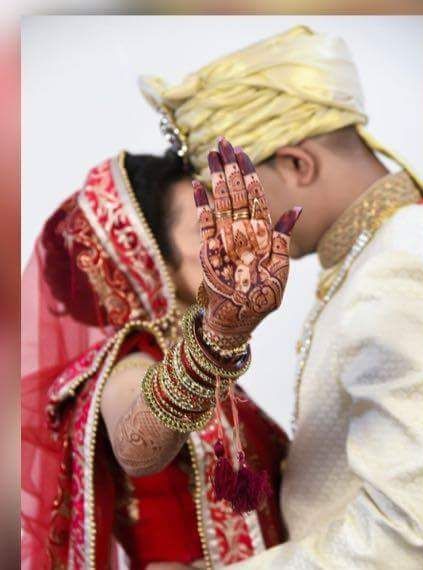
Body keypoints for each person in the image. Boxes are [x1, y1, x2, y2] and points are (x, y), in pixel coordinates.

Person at [142, 26, 423, 568]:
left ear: (299, 163)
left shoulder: (401, 267)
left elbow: (409, 536)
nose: (230, 228)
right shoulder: (374, 259)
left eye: (234, 200)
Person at [21, 138, 304, 568]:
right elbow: (136, 447)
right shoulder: (128, 366)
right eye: (204, 228)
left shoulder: (211, 367)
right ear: (147, 262)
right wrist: (217, 340)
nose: (231, 237)